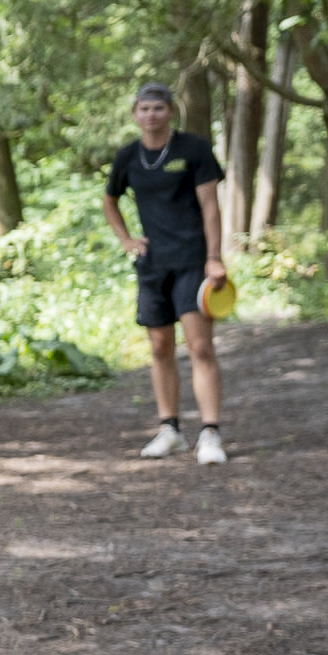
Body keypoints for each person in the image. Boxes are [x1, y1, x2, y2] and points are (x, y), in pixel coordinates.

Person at [101, 82, 228, 464]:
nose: (151, 115)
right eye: (144, 109)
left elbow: (210, 207)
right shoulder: (128, 157)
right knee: (159, 347)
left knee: (200, 346)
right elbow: (110, 200)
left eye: (158, 108)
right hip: (152, 264)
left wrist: (215, 257)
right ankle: (170, 429)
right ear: (134, 114)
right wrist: (126, 240)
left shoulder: (194, 149)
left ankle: (210, 434)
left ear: (170, 111)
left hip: (193, 260)